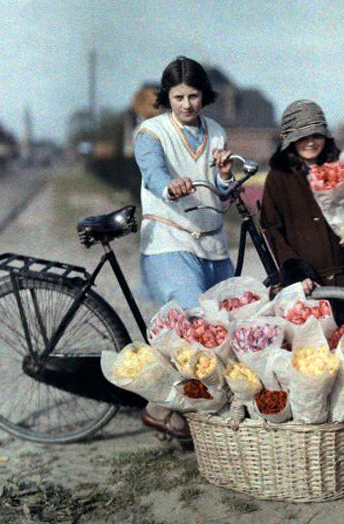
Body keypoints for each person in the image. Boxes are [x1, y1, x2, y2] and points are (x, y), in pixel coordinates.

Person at [133, 56, 234, 438]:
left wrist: (224, 176)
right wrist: (168, 185)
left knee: (225, 326)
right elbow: (153, 170)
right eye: (178, 97)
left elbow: (222, 195)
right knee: (191, 325)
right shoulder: (151, 132)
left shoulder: (217, 133)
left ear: (204, 96)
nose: (187, 104)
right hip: (169, 239)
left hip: (211, 241)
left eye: (193, 96)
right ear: (167, 96)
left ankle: (203, 409)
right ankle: (159, 407)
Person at [259, 100, 344, 320]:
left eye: (316, 135)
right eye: (303, 136)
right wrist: (296, 273)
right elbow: (272, 228)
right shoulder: (279, 177)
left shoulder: (342, 168)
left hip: (341, 277)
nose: (310, 142)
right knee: (312, 346)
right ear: (290, 138)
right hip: (306, 284)